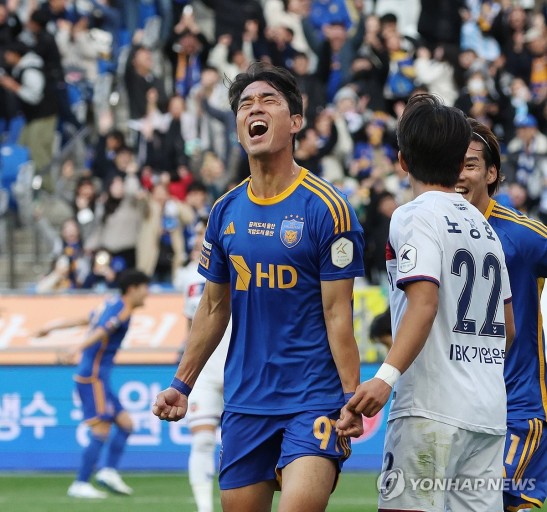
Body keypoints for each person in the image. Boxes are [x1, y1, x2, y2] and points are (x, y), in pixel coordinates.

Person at [153, 62, 365, 512]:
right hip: (246, 402)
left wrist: (351, 395)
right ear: (238, 127)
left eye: (269, 100)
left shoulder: (329, 208)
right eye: (246, 103)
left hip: (313, 398)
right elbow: (213, 308)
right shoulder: (225, 211)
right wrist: (182, 384)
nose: (255, 108)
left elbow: (337, 313)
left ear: (295, 122)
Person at [338, 94, 515, 511]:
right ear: (460, 164)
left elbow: (423, 303)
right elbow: (509, 329)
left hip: (430, 410)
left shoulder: (413, 215)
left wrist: (384, 377)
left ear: (402, 160)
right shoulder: (486, 227)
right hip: (487, 414)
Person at [457, 118, 547, 511]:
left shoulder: (522, 235)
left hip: (516, 405)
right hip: (455, 407)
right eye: (452, 164)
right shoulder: (428, 226)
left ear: (492, 173)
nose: (459, 174)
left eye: (471, 164)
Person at [36, 269, 150, 499]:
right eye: (144, 288)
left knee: (126, 424)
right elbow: (100, 331)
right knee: (101, 429)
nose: (147, 294)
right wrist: (75, 349)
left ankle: (108, 471)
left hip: (99, 377)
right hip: (93, 377)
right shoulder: (123, 310)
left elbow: (83, 319)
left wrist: (50, 327)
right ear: (133, 289)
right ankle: (80, 483)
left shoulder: (109, 304)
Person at [173, 217, 230, 512]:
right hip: (205, 373)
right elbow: (190, 324)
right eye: (195, 233)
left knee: (240, 446)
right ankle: (204, 509)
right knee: (203, 442)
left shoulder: (238, 260)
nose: (199, 238)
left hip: (237, 365)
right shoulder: (187, 276)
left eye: (202, 232)